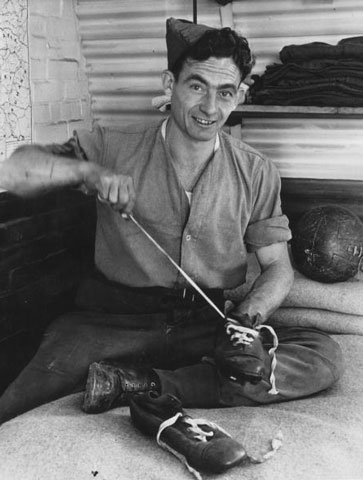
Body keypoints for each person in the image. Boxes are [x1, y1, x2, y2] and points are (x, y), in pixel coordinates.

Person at [0, 18, 343, 425]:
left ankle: (144, 384)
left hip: (206, 324)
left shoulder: (257, 171)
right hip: (111, 321)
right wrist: (90, 174)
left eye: (225, 92)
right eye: (197, 86)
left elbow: (277, 268)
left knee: (322, 357)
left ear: (239, 96)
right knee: (15, 409)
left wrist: (245, 321)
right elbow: (16, 170)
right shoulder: (111, 145)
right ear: (170, 84)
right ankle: (185, 383)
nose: (210, 108)